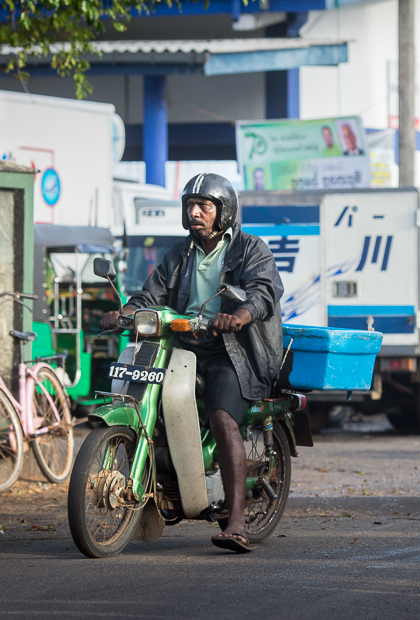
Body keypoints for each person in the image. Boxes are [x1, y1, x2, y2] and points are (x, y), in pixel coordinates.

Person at [100, 173, 284, 554]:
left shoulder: (250, 248)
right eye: (190, 205)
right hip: (182, 347)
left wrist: (242, 315)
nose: (195, 212)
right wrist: (129, 309)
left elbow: (263, 292)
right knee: (146, 396)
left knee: (221, 417)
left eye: (205, 205)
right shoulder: (179, 253)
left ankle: (235, 519)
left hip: (233, 350)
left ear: (224, 211)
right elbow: (152, 292)